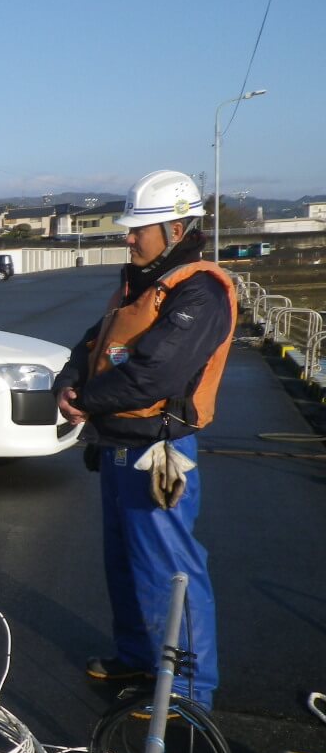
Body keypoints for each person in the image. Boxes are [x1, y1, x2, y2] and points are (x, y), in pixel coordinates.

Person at [54, 170, 236, 711]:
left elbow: (153, 376)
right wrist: (69, 382)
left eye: (140, 229)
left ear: (176, 229)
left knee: (169, 568)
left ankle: (189, 688)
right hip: (117, 445)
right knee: (126, 562)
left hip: (158, 452)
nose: (128, 238)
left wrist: (85, 402)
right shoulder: (138, 286)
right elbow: (91, 343)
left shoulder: (200, 293)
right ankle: (137, 654)